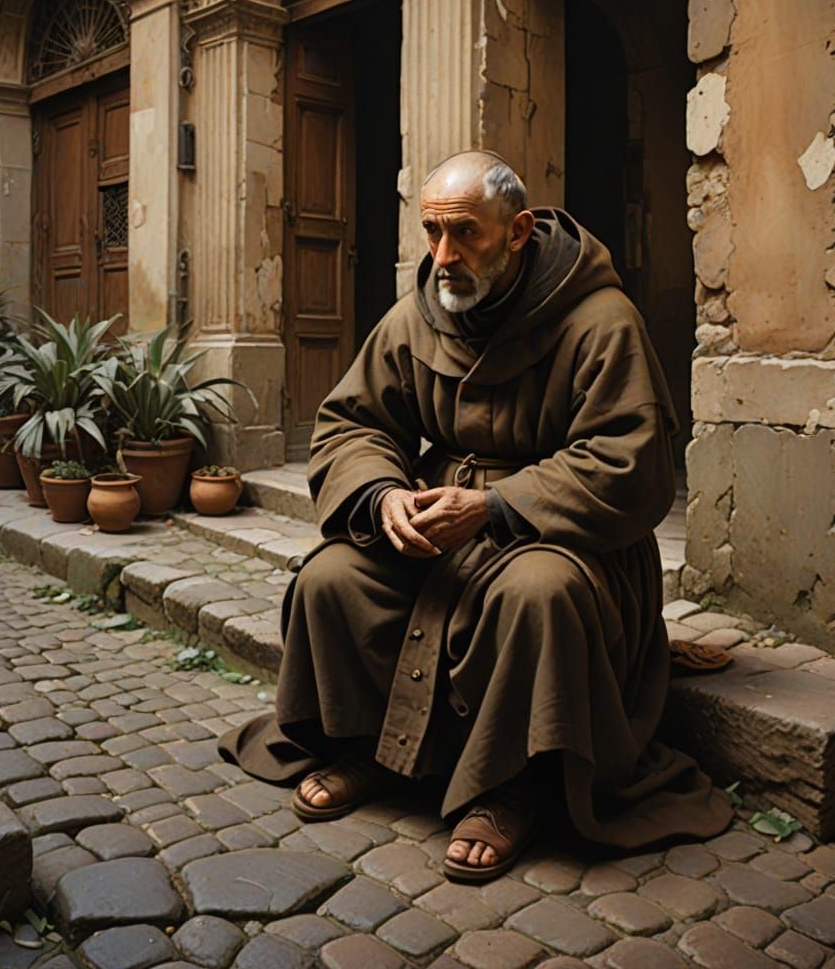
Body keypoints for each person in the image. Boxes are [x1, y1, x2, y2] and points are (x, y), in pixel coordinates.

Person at [219, 150, 733, 882]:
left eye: (465, 234)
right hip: (441, 517)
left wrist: (496, 505)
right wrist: (385, 495)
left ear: (519, 230)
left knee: (536, 597)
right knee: (332, 578)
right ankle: (369, 747)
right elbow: (353, 424)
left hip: (565, 533)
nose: (443, 256)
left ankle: (511, 789)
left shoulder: (600, 319)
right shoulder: (421, 311)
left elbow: (633, 462)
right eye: (431, 233)